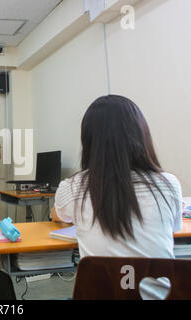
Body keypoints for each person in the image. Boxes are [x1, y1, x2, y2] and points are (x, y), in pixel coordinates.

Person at [52, 95, 182, 299]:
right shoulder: (168, 184)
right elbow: (173, 230)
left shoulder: (73, 187)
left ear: (88, 139)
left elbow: (58, 216)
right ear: (141, 134)